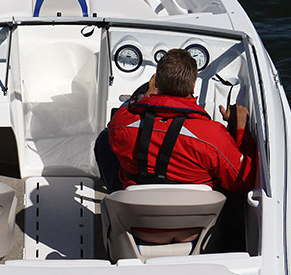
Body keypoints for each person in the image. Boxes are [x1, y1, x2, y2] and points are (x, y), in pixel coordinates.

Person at [94, 48, 256, 193]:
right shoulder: (213, 135)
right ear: (193, 86)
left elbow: (123, 113)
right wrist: (241, 129)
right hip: (195, 213)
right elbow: (242, 181)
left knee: (105, 138)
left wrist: (145, 97)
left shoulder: (122, 123)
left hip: (135, 211)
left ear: (156, 82)